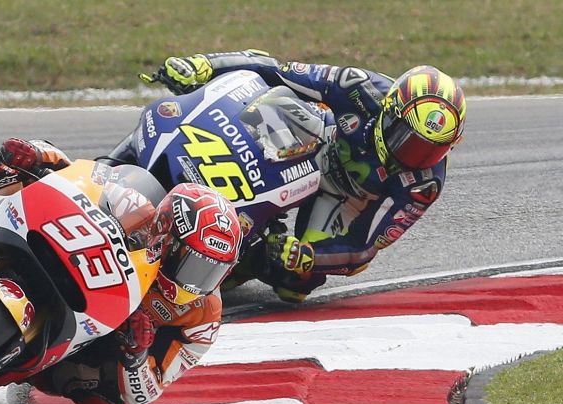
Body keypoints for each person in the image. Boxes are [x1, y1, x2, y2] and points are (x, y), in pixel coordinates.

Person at [0, 138, 243, 404]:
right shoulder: (138, 210)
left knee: (101, 402)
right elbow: (83, 175)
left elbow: (146, 394)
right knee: (4, 183)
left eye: (213, 271)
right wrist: (37, 155)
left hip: (90, 345)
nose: (198, 281)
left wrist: (136, 352)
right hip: (79, 264)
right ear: (168, 235)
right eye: (194, 264)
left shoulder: (203, 315)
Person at [145, 50, 467, 302]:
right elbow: (275, 69)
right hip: (318, 139)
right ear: (390, 110)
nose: (413, 156)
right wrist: (205, 65)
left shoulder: (424, 184)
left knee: (295, 284)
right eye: (407, 138)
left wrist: (312, 257)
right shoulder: (358, 86)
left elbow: (365, 249)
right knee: (268, 99)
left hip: (349, 197)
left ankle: (247, 258)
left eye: (430, 150)